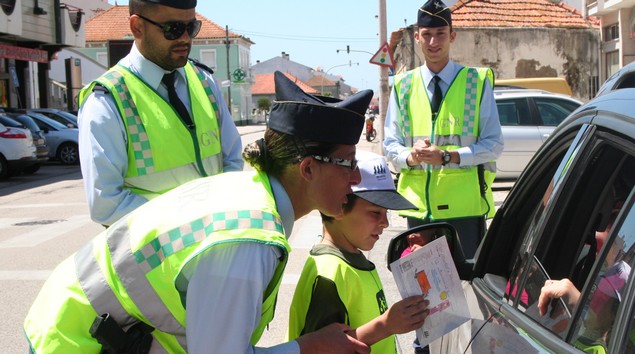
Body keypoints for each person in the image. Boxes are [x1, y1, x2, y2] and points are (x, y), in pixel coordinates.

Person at [24, 71, 374, 353]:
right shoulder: (247, 238)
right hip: (75, 341)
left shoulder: (248, 192)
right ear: (308, 169)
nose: (356, 178)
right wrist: (306, 347)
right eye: (347, 163)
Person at [78, 0, 243, 226]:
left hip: (216, 245)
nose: (185, 38)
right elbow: (106, 204)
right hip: (157, 257)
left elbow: (232, 160)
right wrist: (194, 223)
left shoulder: (204, 82)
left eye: (191, 27)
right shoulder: (107, 100)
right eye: (173, 29)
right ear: (137, 27)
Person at [383, 0, 504, 262]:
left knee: (466, 294)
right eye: (426, 35)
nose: (433, 42)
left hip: (464, 212)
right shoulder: (403, 85)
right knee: (423, 293)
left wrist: (448, 157)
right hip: (419, 213)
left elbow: (494, 144)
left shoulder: (476, 82)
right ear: (417, 37)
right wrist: (411, 157)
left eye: (440, 34)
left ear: (452, 36)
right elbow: (390, 144)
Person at [287, 150, 430, 353]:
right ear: (339, 208)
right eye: (375, 213)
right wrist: (387, 325)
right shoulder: (329, 275)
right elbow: (320, 347)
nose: (386, 222)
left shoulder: (351, 258)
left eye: (386, 213)